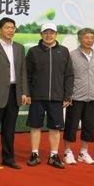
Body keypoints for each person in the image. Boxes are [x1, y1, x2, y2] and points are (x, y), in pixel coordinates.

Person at [25, 22, 74, 168]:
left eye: (51, 32)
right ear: (41, 35)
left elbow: (69, 75)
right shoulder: (33, 51)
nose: (48, 35)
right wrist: (27, 93)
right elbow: (27, 74)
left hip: (57, 97)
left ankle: (53, 155)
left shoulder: (64, 51)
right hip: (37, 97)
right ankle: (34, 154)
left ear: (56, 34)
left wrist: (67, 95)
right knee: (35, 126)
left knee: (55, 128)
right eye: (45, 32)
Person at [0, 17, 29, 170]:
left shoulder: (19, 48)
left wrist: (24, 91)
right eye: (7, 27)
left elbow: (23, 71)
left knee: (9, 129)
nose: (10, 30)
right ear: (0, 30)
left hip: (14, 92)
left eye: (12, 27)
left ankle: (8, 158)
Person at [63, 28, 94, 165]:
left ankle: (83, 153)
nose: (89, 40)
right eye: (86, 37)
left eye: (92, 38)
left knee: (89, 126)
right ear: (79, 39)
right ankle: (67, 152)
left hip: (92, 97)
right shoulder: (72, 56)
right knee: (71, 125)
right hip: (75, 97)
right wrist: (67, 94)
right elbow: (66, 76)